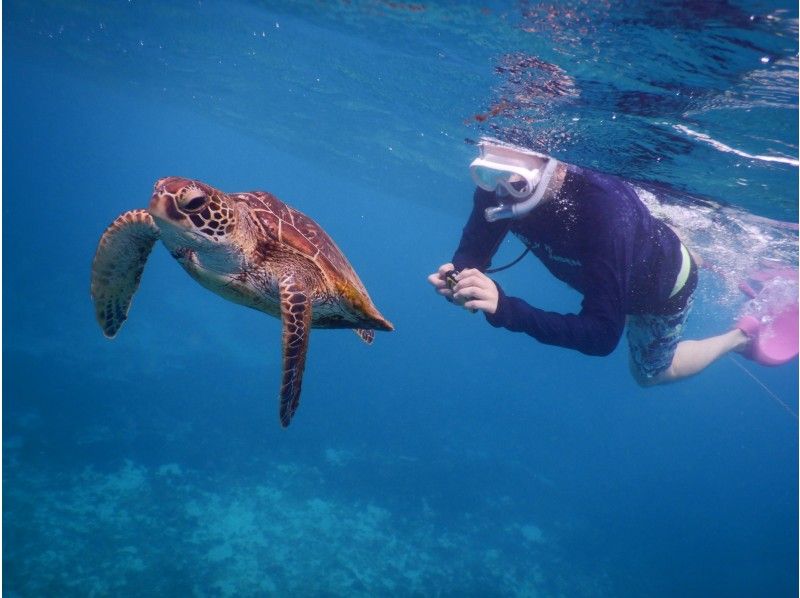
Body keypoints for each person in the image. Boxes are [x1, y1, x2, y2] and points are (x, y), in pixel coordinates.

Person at [428, 138, 758, 386]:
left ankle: (740, 338)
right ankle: (673, 237)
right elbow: (473, 250)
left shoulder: (605, 212)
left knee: (650, 375)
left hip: (660, 290)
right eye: (486, 175)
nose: (500, 192)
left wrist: (505, 309)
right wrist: (460, 273)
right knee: (624, 263)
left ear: (548, 166)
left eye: (515, 182)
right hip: (619, 261)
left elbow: (601, 337)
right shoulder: (500, 184)